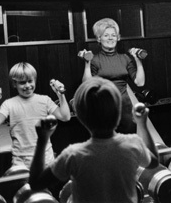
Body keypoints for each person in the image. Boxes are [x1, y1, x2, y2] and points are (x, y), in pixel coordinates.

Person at [29, 77, 159, 203]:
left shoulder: (73, 155)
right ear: (118, 112)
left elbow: (36, 183)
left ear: (81, 116)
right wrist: (142, 123)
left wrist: (42, 139)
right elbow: (153, 162)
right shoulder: (133, 144)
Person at [0, 62, 71, 168]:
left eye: (30, 81)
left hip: (46, 161)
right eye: (22, 82)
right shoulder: (9, 104)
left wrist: (60, 94)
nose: (27, 86)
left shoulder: (45, 100)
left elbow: (65, 117)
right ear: (14, 84)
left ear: (34, 80)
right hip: (21, 164)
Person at [79, 18, 145, 134]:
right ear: (99, 38)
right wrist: (87, 63)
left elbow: (140, 82)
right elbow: (87, 85)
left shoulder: (124, 58)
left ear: (118, 38)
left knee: (128, 145)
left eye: (113, 35)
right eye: (106, 35)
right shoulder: (94, 60)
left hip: (125, 109)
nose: (110, 38)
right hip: (103, 108)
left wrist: (138, 61)